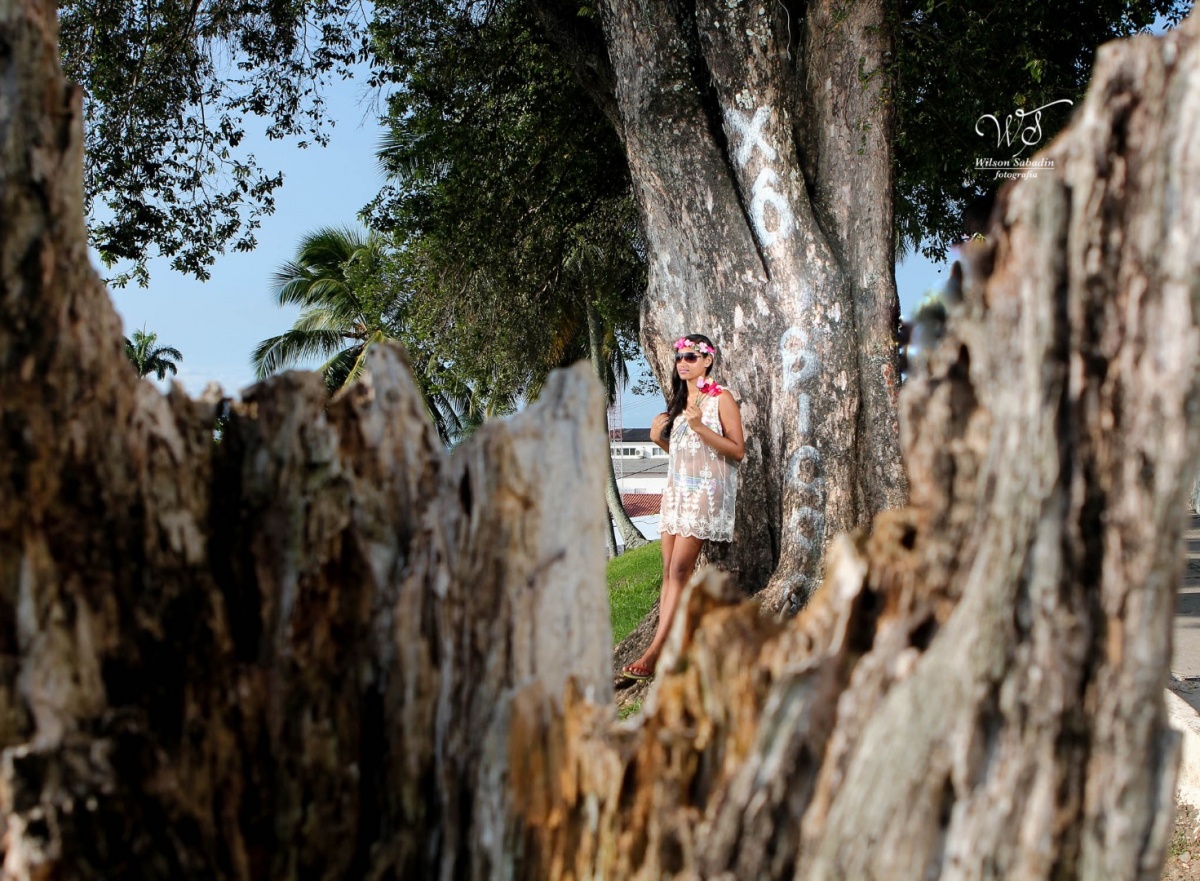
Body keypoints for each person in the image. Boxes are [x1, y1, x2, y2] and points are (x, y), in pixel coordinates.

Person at [622, 333, 745, 681]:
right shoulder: (675, 407)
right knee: (668, 573)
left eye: (692, 357)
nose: (684, 363)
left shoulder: (721, 399)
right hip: (676, 494)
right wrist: (658, 439)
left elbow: (736, 451)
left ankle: (655, 651)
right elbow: (681, 457)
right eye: (680, 358)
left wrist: (698, 426)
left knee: (679, 571)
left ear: (708, 360)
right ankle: (670, 642)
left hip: (705, 495)